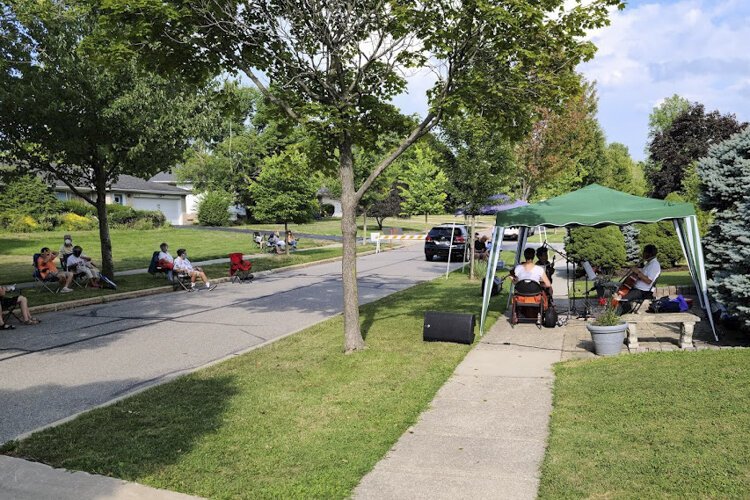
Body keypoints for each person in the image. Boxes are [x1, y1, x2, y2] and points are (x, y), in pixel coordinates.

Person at [617, 244, 661, 313]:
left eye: (644, 252)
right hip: (636, 287)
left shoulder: (654, 265)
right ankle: (617, 311)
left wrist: (637, 272)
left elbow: (649, 281)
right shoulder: (649, 263)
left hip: (642, 291)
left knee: (624, 299)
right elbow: (644, 275)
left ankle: (623, 314)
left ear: (649, 254)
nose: (642, 254)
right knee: (618, 292)